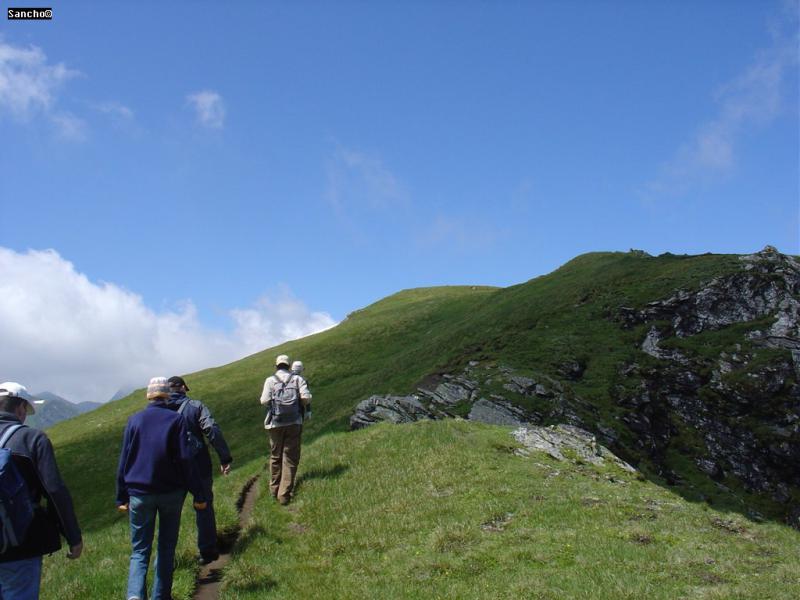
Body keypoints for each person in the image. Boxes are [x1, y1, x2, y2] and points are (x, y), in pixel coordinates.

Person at [116, 377, 207, 600]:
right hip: (171, 494)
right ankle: (160, 596)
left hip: (139, 494)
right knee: (165, 548)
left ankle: (135, 596)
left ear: (149, 395)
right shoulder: (175, 420)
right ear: (167, 395)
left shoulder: (134, 420)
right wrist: (199, 493)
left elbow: (124, 459)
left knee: (139, 551)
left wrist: (121, 496)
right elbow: (185, 459)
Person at [0, 382, 83, 600]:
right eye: (25, 410)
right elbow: (54, 490)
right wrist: (73, 536)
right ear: (19, 408)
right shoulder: (32, 439)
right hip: (21, 541)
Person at [166, 375, 232, 565]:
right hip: (198, 465)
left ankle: (167, 559)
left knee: (170, 513)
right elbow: (211, 428)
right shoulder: (195, 406)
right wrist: (224, 457)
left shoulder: (161, 411)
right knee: (203, 506)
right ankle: (207, 551)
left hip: (172, 469)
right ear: (184, 388)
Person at [259, 355, 312, 505]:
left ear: (276, 366)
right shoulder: (297, 380)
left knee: (276, 456)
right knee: (290, 457)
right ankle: (284, 495)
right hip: (294, 423)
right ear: (289, 366)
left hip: (275, 424)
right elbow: (306, 398)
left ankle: (273, 489)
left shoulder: (270, 380)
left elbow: (263, 401)